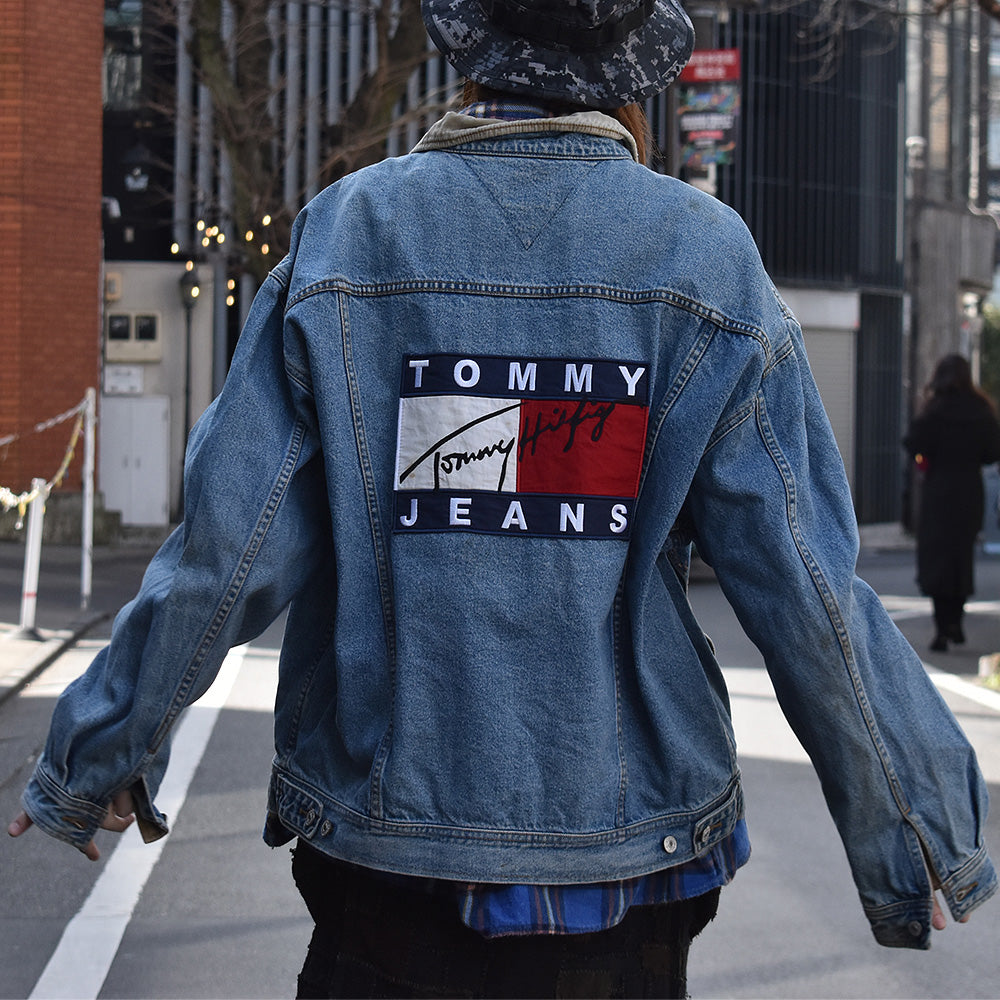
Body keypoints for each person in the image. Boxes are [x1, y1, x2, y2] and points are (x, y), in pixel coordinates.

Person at [9, 1, 996, 996]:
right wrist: (918, 822)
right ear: (632, 73)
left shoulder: (351, 235)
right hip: (626, 865)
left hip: (389, 857)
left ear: (470, 52)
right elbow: (806, 583)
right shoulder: (704, 258)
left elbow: (230, 548)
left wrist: (100, 748)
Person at [904, 353, 1000, 652]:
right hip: (969, 491)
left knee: (936, 557)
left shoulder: (933, 410)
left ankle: (942, 625)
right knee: (961, 556)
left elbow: (913, 443)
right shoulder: (982, 410)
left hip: (938, 491)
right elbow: (992, 453)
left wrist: (927, 460)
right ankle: (956, 620)